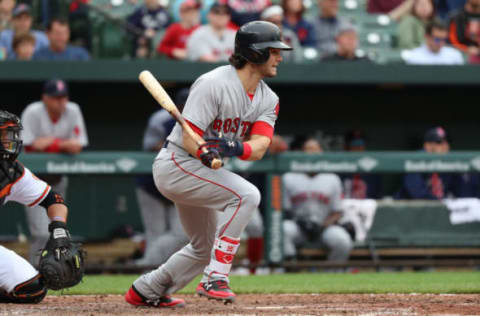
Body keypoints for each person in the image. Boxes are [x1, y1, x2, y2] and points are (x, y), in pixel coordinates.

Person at [125, 20, 292, 307]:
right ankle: (216, 277)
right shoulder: (213, 83)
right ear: (254, 53)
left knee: (203, 247)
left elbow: (260, 147)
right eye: (273, 50)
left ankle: (146, 289)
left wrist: (235, 146)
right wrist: (202, 151)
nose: (279, 56)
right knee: (247, 195)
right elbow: (190, 137)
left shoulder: (269, 98)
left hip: (200, 170)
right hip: (176, 163)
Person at [0, 110, 77, 303]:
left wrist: (59, 227)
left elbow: (54, 200)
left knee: (31, 288)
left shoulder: (10, 172)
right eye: (3, 135)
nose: (8, 141)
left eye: (9, 135)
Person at [20, 78, 88, 266]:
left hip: (57, 180)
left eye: (63, 97)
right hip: (32, 181)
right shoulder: (33, 111)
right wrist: (61, 145)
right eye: (55, 97)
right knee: (39, 233)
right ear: (45, 98)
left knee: (57, 231)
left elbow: (77, 146)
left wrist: (51, 143)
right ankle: (33, 273)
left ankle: (51, 271)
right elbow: (30, 146)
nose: (61, 101)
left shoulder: (73, 110)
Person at [134, 89, 190, 267]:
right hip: (151, 184)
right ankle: (147, 274)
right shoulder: (160, 119)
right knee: (155, 233)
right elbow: (150, 147)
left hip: (177, 185)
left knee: (182, 234)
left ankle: (152, 267)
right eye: (184, 106)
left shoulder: (202, 118)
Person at [282, 137, 353, 264]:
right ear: (302, 154)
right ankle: (290, 269)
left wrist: (322, 226)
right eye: (308, 150)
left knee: (343, 241)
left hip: (324, 227)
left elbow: (337, 212)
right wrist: (299, 222)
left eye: (315, 150)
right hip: (299, 227)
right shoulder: (289, 177)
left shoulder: (332, 178)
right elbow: (283, 210)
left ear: (321, 154)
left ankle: (332, 276)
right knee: (283, 229)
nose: (311, 154)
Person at [395, 126, 480, 199]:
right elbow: (417, 194)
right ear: (427, 146)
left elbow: (462, 192)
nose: (445, 145)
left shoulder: (451, 163)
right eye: (439, 142)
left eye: (447, 142)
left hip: (438, 210)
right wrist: (442, 203)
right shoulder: (415, 160)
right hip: (410, 211)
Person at [340, 130, 383, 199]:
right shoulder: (339, 169)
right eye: (354, 145)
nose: (358, 148)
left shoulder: (373, 172)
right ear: (347, 148)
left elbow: (377, 197)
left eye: (361, 144)